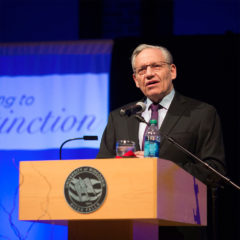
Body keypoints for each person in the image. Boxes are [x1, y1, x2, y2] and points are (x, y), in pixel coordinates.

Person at [97, 43, 226, 186]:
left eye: (156, 66)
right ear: (136, 80)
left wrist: (161, 168)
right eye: (142, 70)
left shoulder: (201, 113)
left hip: (178, 203)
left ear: (172, 71)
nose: (149, 74)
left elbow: (215, 172)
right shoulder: (120, 117)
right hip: (129, 203)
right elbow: (102, 169)